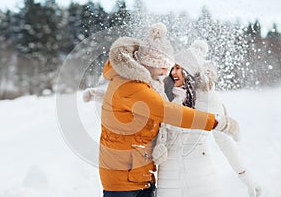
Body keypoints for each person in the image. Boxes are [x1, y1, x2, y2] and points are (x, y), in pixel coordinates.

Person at [83, 23, 239, 197]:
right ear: (149, 63)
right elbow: (169, 112)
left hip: (135, 176)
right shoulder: (134, 87)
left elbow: (131, 103)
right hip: (125, 184)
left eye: (169, 65)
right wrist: (218, 122)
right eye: (163, 65)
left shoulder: (136, 82)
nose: (167, 71)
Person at [153, 40, 262, 197]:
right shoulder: (167, 98)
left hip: (200, 182)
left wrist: (246, 177)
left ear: (189, 71)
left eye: (178, 68)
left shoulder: (208, 99)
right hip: (169, 184)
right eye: (173, 68)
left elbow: (224, 142)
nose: (173, 72)